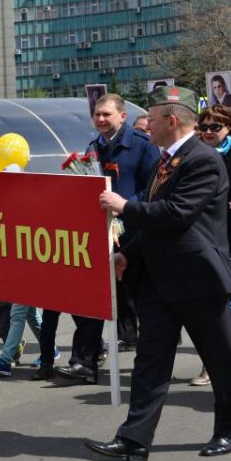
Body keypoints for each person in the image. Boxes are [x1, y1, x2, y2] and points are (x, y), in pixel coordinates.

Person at [92, 86, 231, 461]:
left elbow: (177, 214)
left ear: (171, 120)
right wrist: (127, 253)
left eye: (154, 120)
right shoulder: (167, 161)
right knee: (150, 362)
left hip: (198, 280)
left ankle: (228, 427)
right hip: (160, 280)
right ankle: (134, 441)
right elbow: (156, 223)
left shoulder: (203, 160)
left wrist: (125, 205)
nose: (148, 127)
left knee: (219, 357)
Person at [87, 94, 160, 351]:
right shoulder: (93, 147)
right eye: (97, 114)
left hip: (137, 232)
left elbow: (152, 189)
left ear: (123, 116)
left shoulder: (143, 145)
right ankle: (122, 339)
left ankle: (155, 351)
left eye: (107, 114)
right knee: (113, 290)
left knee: (143, 295)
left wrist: (124, 206)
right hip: (107, 231)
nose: (101, 119)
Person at [188, 105, 231, 386]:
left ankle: (213, 364)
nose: (209, 132)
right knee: (213, 302)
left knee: (225, 301)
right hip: (202, 237)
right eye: (205, 127)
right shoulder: (194, 154)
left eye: (216, 127)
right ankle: (211, 364)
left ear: (230, 128)